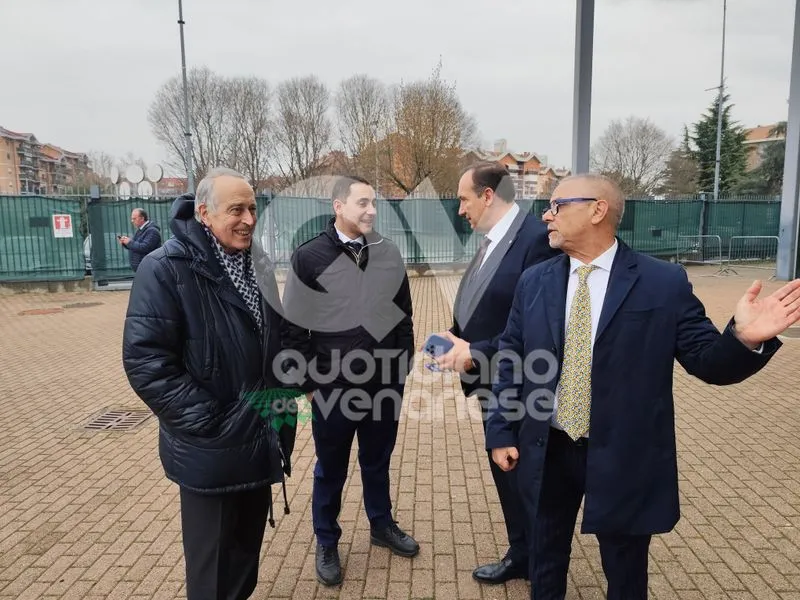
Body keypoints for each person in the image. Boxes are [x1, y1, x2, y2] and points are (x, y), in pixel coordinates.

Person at [485, 172, 800, 600]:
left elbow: (708, 361)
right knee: (545, 559)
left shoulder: (662, 283)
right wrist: (501, 431)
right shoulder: (535, 281)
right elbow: (511, 360)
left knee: (625, 569)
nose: (546, 216)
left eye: (557, 205)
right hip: (547, 447)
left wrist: (745, 338)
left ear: (598, 210)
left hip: (623, 455)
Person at [122, 167, 296, 600]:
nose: (249, 219)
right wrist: (213, 422)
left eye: (253, 208)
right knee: (213, 575)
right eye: (236, 209)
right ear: (204, 213)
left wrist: (288, 408)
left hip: (261, 437)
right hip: (212, 447)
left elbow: (272, 340)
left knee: (244, 563)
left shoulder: (256, 261)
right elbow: (146, 361)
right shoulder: (165, 269)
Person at [281, 175, 417, 586]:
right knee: (331, 469)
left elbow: (404, 317)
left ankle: (381, 524)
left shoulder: (388, 253)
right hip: (333, 390)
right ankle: (327, 540)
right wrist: (309, 383)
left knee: (377, 461)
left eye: (373, 203)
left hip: (383, 389)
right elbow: (293, 328)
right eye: (362, 203)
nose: (371, 210)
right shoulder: (309, 257)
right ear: (338, 206)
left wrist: (400, 369)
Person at [432, 161, 559, 585]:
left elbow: (539, 326)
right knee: (506, 474)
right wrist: (455, 336)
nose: (460, 210)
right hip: (493, 384)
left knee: (528, 481)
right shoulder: (492, 241)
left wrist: (478, 352)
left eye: (464, 199)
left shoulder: (536, 242)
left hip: (523, 387)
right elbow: (491, 307)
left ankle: (541, 566)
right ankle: (521, 552)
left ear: (488, 195)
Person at [118, 208, 161, 272]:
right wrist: (125, 243)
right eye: (132, 219)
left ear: (142, 218)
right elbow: (136, 246)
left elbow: (144, 247)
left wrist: (129, 242)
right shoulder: (141, 230)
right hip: (143, 268)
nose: (132, 221)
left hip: (148, 268)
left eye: (134, 219)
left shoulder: (152, 231)